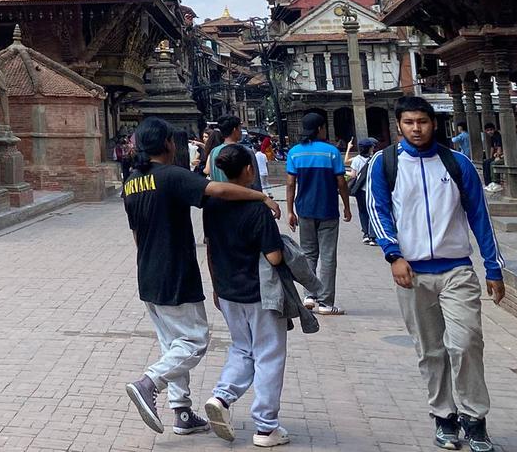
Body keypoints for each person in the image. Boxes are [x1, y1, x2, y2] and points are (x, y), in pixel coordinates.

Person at [122, 116, 282, 438]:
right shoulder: (171, 176)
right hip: (175, 274)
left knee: (173, 345)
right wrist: (261, 196)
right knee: (195, 341)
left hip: (148, 275)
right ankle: (149, 382)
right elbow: (218, 189)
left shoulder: (131, 182)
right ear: (168, 144)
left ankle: (181, 412)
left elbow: (137, 234)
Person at [368, 96, 505, 452]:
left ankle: (475, 420)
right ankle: (444, 418)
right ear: (399, 125)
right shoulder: (384, 165)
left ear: (434, 123)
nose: (416, 128)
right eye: (409, 122)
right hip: (411, 273)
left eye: (423, 122)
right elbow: (377, 211)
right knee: (430, 350)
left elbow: (480, 218)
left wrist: (493, 267)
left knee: (466, 343)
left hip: (457, 268)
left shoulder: (457, 164)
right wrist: (393, 255)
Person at [203, 145, 291, 448]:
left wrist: (215, 286)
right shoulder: (257, 210)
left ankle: (222, 397)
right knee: (268, 355)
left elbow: (211, 248)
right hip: (259, 293)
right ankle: (266, 427)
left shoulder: (212, 205)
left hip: (227, 290)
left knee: (242, 348)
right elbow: (275, 257)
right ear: (250, 170)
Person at [284, 112, 350, 315]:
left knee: (308, 254)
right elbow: (341, 182)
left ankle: (309, 296)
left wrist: (289, 211)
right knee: (328, 256)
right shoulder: (331, 152)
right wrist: (346, 205)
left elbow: (290, 183)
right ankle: (326, 302)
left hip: (304, 210)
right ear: (320, 128)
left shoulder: (294, 153)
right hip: (328, 210)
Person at [345, 138, 378, 245]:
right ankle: (373, 236)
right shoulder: (374, 159)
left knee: (363, 212)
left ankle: (366, 234)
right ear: (370, 148)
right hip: (372, 190)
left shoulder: (357, 159)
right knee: (372, 212)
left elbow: (353, 175)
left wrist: (344, 171)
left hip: (361, 190)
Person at [206, 116, 246, 183]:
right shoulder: (245, 151)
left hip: (218, 192)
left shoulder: (213, 152)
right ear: (234, 130)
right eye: (240, 128)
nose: (241, 132)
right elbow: (255, 181)